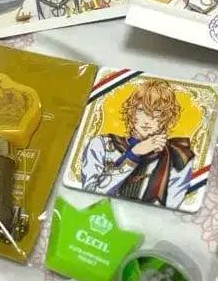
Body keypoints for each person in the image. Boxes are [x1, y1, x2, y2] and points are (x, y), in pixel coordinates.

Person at [80, 79, 195, 210]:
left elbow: (170, 208)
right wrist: (133, 154)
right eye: (141, 110)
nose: (147, 120)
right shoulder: (101, 145)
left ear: (167, 117)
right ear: (131, 112)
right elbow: (89, 197)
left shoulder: (178, 155)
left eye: (157, 112)